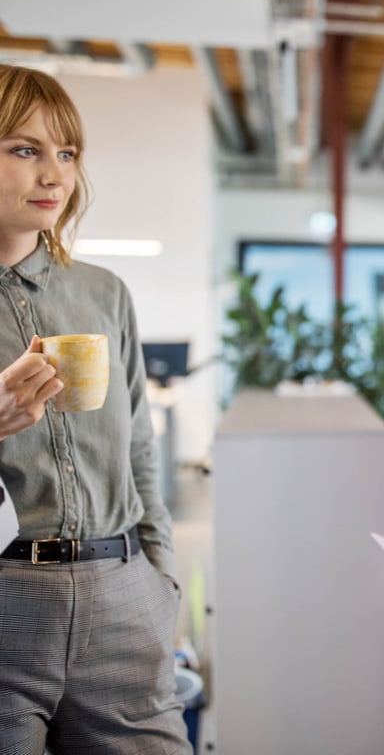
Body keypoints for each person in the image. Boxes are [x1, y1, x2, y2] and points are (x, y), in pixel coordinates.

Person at [0, 65, 192, 753]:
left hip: (122, 591)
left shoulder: (104, 292)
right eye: (24, 150)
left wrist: (160, 576)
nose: (53, 175)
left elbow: (139, 442)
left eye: (67, 152)